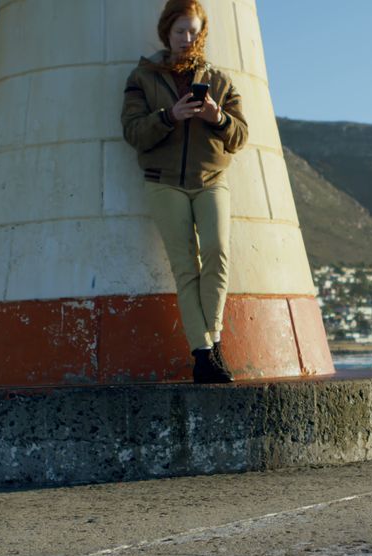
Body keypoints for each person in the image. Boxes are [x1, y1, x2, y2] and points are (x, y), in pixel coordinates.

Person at [120, 0, 248, 383]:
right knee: (185, 268)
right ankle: (204, 353)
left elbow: (240, 136)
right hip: (164, 182)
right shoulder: (142, 78)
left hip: (211, 180)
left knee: (218, 255)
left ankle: (214, 340)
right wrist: (168, 117)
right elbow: (133, 132)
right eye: (180, 31)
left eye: (193, 31)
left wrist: (217, 117)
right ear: (167, 32)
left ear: (201, 33)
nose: (187, 39)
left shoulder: (220, 81)